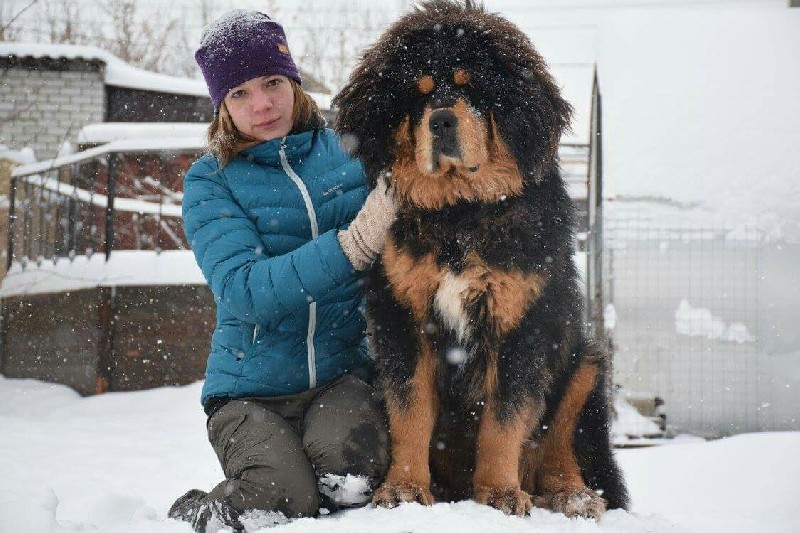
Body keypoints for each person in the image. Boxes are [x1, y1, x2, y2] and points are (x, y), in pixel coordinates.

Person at [168, 9, 394, 532]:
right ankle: (201, 510)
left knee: (351, 476)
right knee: (281, 497)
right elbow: (244, 290)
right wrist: (352, 246)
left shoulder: (350, 150)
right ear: (221, 106)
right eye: (240, 93)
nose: (263, 104)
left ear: (294, 79)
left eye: (272, 82)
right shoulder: (210, 181)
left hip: (342, 376)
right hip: (249, 391)